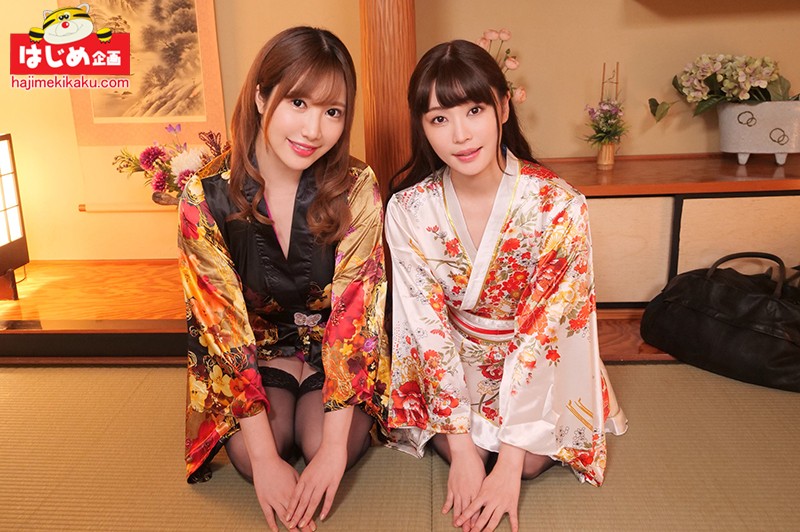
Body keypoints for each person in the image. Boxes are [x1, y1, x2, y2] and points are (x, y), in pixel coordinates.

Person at [385, 40, 628, 532]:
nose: (460, 135)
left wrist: (511, 463)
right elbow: (424, 329)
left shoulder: (559, 205)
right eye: (439, 118)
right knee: (472, 450)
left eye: (474, 111)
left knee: (530, 461)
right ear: (422, 126)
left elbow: (548, 331)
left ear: (502, 106)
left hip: (540, 356)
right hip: (454, 356)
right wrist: (460, 451)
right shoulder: (408, 209)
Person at [178, 26, 390, 532]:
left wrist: (334, 450)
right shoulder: (203, 196)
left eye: (332, 111)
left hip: (334, 348)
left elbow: (355, 317)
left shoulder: (357, 186)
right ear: (260, 97)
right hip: (255, 349)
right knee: (257, 456)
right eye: (298, 103)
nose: (313, 129)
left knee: (320, 444)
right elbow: (220, 328)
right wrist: (266, 461)